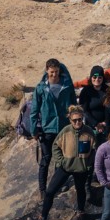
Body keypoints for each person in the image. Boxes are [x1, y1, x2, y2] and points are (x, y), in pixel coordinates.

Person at [35, 106, 96, 220]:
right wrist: (61, 161)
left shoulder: (89, 132)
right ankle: (43, 216)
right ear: (70, 120)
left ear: (83, 118)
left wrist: (89, 165)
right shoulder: (65, 131)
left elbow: (94, 150)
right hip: (65, 167)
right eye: (75, 120)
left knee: (80, 190)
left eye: (80, 119)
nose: (78, 122)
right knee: (50, 191)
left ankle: (80, 213)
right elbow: (55, 146)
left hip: (81, 169)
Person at [30, 58, 76, 195]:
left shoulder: (67, 86)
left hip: (63, 128)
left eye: (56, 72)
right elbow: (34, 111)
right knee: (45, 159)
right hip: (47, 129)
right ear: (46, 71)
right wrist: (34, 131)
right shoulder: (40, 89)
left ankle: (58, 184)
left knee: (61, 158)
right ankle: (43, 190)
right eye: (51, 72)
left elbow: (73, 105)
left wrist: (74, 123)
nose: (54, 75)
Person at [78, 66, 110, 139]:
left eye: (99, 77)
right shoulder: (86, 91)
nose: (97, 79)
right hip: (91, 126)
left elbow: (109, 108)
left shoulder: (108, 90)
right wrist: (96, 124)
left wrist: (105, 122)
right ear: (91, 78)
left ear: (103, 78)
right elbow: (84, 110)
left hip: (106, 125)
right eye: (94, 77)